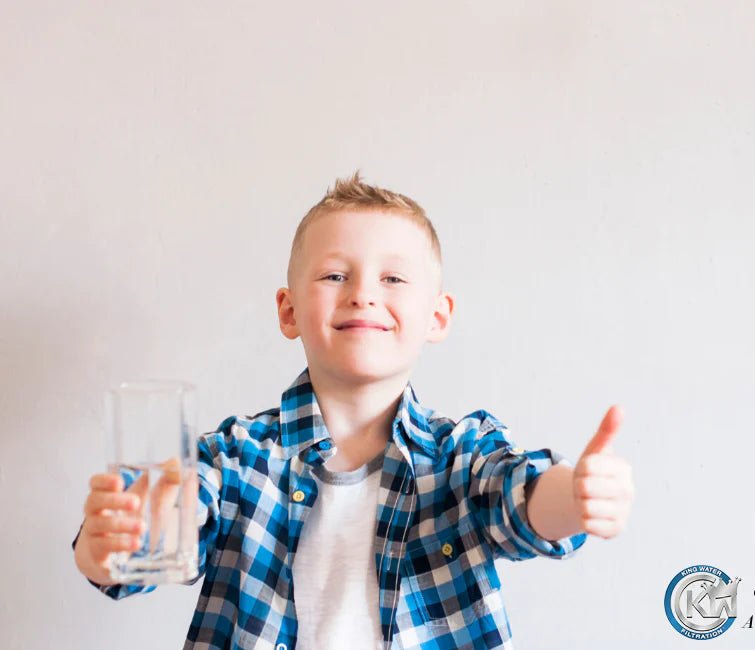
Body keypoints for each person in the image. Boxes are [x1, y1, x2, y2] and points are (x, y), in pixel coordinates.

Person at [71, 172, 635, 649]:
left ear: (437, 317)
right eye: (335, 275)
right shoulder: (234, 458)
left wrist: (575, 496)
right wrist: (115, 542)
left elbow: (519, 497)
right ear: (289, 311)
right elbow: (166, 525)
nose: (363, 293)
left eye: (392, 278)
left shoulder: (462, 453)